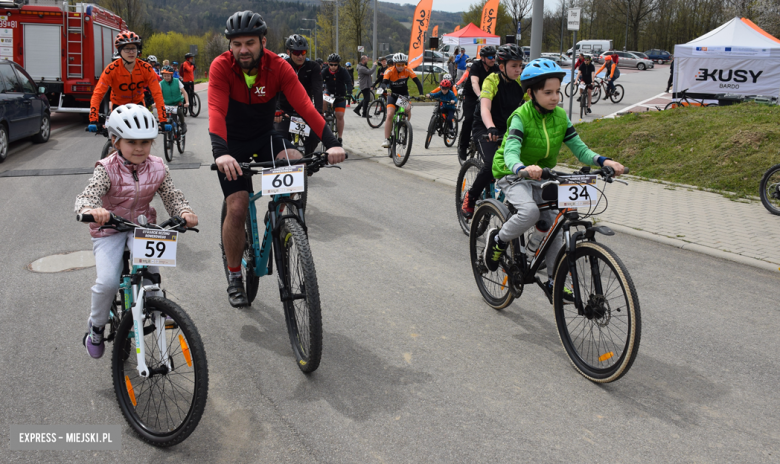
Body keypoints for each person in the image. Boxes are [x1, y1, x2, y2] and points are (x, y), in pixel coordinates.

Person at [209, 10, 345, 307]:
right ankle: (234, 274)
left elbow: (307, 108)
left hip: (264, 137)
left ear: (263, 42)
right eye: (237, 43)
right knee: (237, 206)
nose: (243, 49)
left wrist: (332, 143)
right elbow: (216, 113)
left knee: (295, 157)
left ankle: (288, 221)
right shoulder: (221, 67)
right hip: (231, 145)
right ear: (230, 45)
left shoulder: (278, 66)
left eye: (250, 43)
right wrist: (221, 154)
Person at [481, 58, 625, 300]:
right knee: (530, 213)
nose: (555, 97)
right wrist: (520, 167)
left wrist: (604, 161)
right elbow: (511, 150)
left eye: (557, 91)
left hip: (542, 175)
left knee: (556, 220)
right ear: (531, 92)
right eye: (548, 92)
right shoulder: (520, 116)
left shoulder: (560, 116)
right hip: (511, 174)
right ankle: (498, 239)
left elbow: (580, 149)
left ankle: (554, 280)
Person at [76, 104, 198, 358]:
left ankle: (155, 307)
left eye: (146, 142)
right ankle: (96, 327)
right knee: (108, 282)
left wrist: (184, 211)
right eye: (132, 142)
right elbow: (88, 195)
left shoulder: (157, 166)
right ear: (115, 140)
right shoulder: (106, 168)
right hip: (109, 228)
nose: (140, 148)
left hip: (141, 226)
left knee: (152, 277)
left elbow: (171, 195)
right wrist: (91, 208)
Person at [461, 44, 525, 219]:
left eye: (520, 65)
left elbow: (530, 106)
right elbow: (485, 109)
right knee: (490, 165)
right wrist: (490, 127)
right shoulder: (492, 80)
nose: (518, 70)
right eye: (514, 66)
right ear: (502, 66)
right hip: (484, 125)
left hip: (507, 127)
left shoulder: (521, 83)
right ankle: (471, 196)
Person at [88, 31, 167, 129]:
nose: (131, 52)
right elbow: (98, 94)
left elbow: (157, 94)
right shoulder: (111, 69)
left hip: (138, 106)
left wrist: (163, 119)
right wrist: (93, 119)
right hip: (118, 106)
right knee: (116, 138)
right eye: (126, 49)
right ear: (120, 51)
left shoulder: (146, 68)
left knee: (144, 137)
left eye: (133, 48)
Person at [274, 34, 324, 155]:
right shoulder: (281, 66)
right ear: (288, 52)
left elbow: (317, 89)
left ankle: (307, 160)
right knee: (277, 138)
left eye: (303, 52)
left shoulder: (313, 67)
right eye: (296, 53)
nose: (300, 56)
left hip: (304, 111)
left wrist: (319, 111)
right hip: (285, 111)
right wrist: (276, 109)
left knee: (315, 135)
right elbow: (274, 89)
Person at [457, 46, 498, 161]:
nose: (493, 59)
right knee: (469, 119)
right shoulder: (476, 66)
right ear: (483, 58)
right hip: (472, 95)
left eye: (494, 57)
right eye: (490, 57)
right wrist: (480, 95)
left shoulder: (495, 68)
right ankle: (463, 147)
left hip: (487, 97)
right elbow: (474, 82)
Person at [378, 53, 423, 149]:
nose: (401, 67)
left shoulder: (407, 70)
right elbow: (383, 83)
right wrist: (386, 89)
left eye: (403, 64)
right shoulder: (389, 70)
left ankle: (403, 127)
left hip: (403, 96)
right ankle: (386, 139)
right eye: (398, 65)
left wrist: (421, 94)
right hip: (393, 95)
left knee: (407, 110)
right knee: (390, 114)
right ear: (394, 64)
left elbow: (417, 82)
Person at [321, 53, 352, 141]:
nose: (333, 66)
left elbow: (349, 82)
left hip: (340, 95)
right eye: (331, 64)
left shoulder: (343, 71)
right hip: (329, 92)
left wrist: (349, 93)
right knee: (323, 100)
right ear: (328, 64)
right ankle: (324, 115)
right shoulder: (325, 71)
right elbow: (319, 81)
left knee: (340, 115)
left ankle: (340, 137)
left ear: (338, 64)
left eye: (335, 65)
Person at [159, 65, 189, 134]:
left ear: (171, 75)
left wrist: (187, 102)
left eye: (168, 76)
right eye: (165, 76)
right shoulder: (161, 84)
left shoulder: (177, 81)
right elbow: (158, 95)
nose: (166, 78)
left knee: (179, 112)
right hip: (167, 103)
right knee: (165, 116)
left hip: (177, 101)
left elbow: (184, 92)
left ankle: (182, 124)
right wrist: (156, 103)